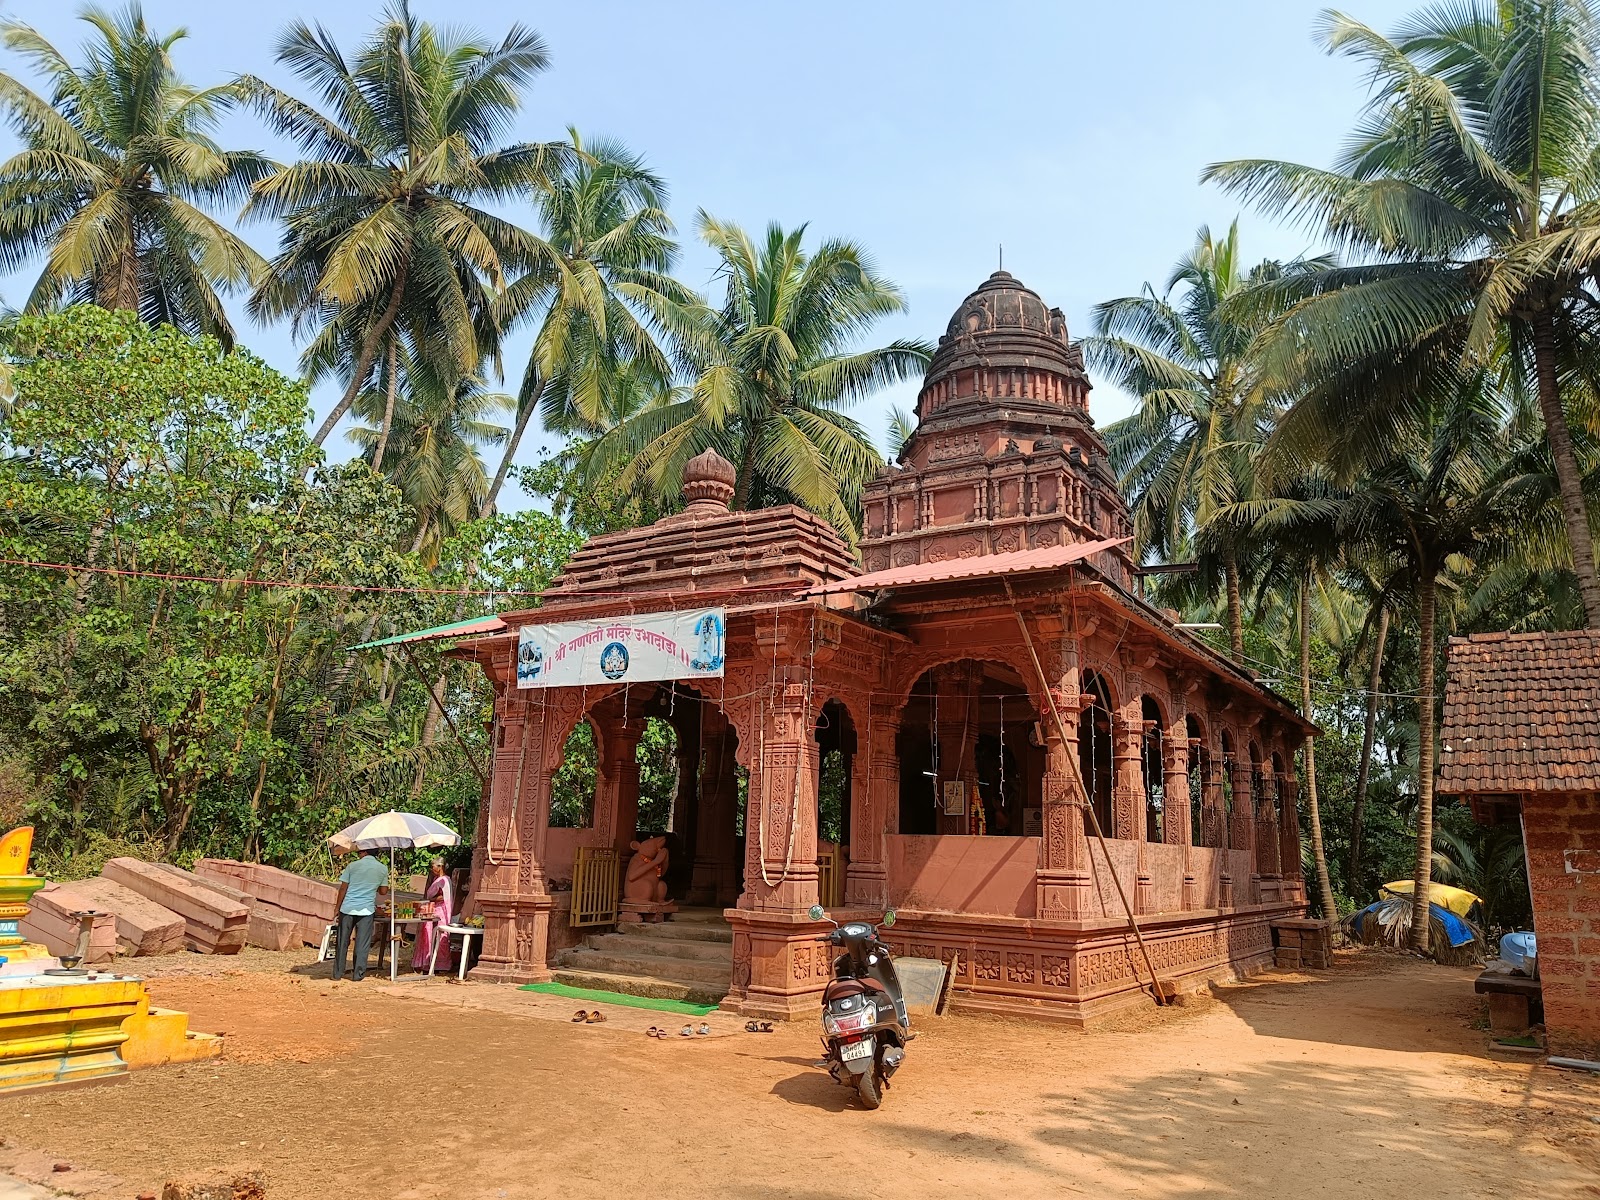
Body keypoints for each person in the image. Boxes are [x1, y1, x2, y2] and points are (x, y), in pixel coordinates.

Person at [332, 847, 389, 982]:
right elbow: (383, 891)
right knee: (362, 944)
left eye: (359, 852)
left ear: (364, 852)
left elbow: (343, 888)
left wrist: (337, 908)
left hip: (347, 908)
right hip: (367, 910)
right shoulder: (382, 869)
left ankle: (337, 974)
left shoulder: (352, 866)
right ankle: (358, 974)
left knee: (342, 942)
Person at [412, 857, 455, 974]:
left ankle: (441, 965)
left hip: (440, 910)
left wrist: (431, 899)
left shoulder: (444, 880)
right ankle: (426, 963)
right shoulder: (436, 879)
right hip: (432, 908)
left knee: (440, 937)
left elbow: (443, 896)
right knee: (427, 935)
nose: (432, 869)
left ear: (440, 867)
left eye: (434, 866)